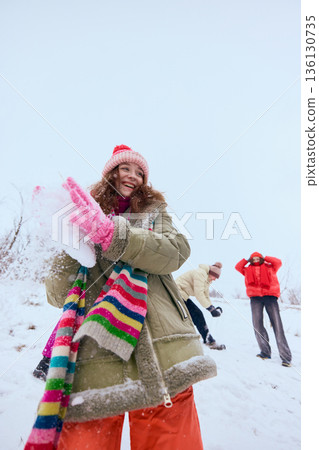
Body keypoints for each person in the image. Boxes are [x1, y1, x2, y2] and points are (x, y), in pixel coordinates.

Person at [37, 145, 217, 449]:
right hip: (95, 357)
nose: (132, 176)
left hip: (162, 351)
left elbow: (176, 251)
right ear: (111, 172)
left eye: (139, 172)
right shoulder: (80, 215)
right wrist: (66, 241)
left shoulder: (154, 212)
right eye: (125, 169)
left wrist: (112, 234)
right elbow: (59, 295)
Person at [235, 252, 292, 367]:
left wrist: (265, 258)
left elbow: (278, 262)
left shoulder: (270, 267)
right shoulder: (247, 270)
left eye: (258, 258)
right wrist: (246, 259)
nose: (256, 260)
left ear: (261, 259)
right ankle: (265, 352)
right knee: (257, 325)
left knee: (277, 325)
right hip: (255, 298)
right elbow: (238, 267)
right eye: (253, 258)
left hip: (270, 297)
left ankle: (286, 357)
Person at [175, 263, 226, 350]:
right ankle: (208, 339)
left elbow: (206, 295)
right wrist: (210, 309)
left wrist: (212, 308)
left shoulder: (207, 279)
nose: (215, 279)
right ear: (211, 273)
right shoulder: (200, 274)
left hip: (183, 295)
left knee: (197, 315)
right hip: (177, 294)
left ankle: (208, 339)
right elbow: (199, 294)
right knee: (195, 315)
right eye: (215, 277)